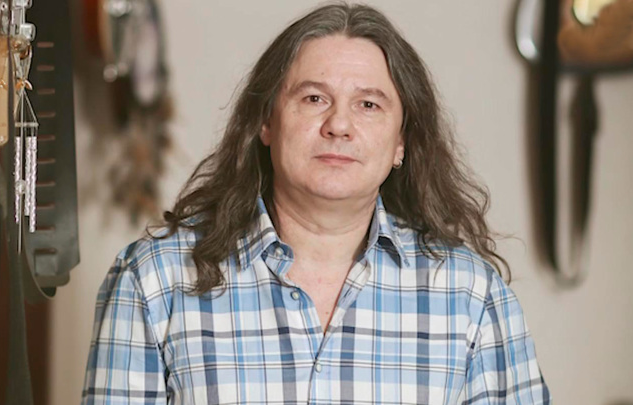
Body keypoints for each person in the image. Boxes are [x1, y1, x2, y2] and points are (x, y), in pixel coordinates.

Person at [81, 3, 551, 404]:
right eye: (313, 98)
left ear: (401, 142)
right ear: (267, 123)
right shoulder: (155, 280)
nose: (338, 125)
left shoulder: (470, 294)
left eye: (369, 105)